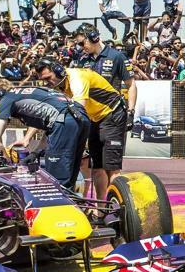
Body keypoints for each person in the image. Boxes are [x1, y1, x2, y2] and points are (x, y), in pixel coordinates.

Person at [34, 59, 127, 201]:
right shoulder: (60, 86)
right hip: (94, 118)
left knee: (111, 168)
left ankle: (121, 207)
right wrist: (36, 143)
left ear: (59, 70)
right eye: (43, 80)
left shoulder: (77, 78)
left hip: (112, 114)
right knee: (97, 167)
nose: (47, 83)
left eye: (48, 78)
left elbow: (78, 109)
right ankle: (101, 209)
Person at [0, 79, 90, 189]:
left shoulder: (6, 98)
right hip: (81, 117)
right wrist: (35, 153)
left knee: (57, 183)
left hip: (65, 121)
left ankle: (57, 205)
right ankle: (71, 203)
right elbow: (52, 126)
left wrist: (8, 165)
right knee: (69, 179)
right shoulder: (29, 92)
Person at [73, 22, 137, 114]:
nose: (81, 47)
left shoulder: (117, 56)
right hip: (89, 114)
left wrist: (131, 110)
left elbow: (131, 85)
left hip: (111, 114)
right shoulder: (82, 59)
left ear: (93, 38)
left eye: (82, 43)